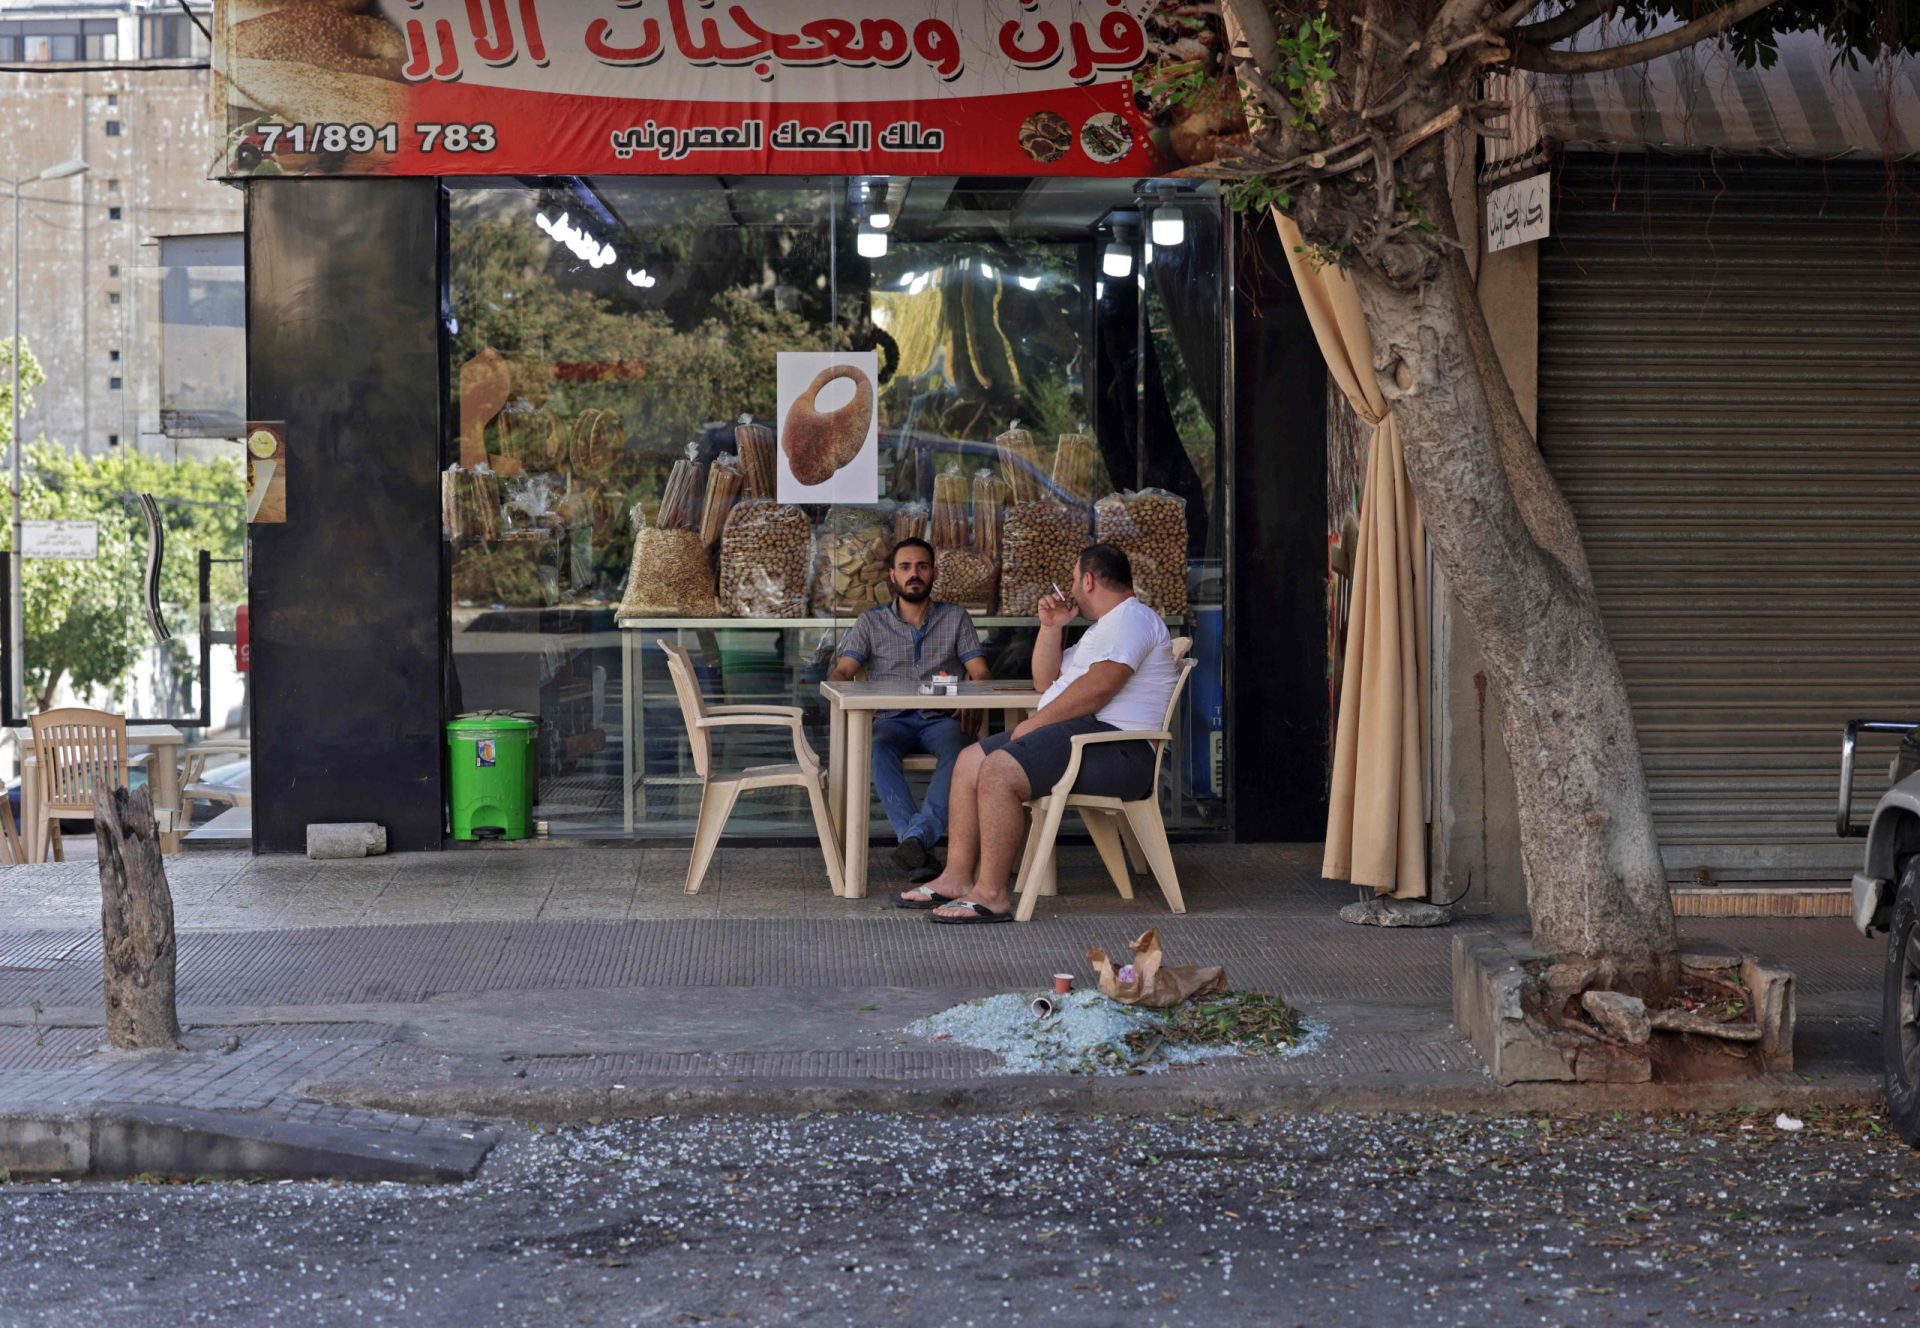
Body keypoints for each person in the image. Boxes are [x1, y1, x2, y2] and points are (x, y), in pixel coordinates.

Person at [902, 543, 1179, 922]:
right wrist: (1051, 628)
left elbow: (1100, 688)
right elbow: (1045, 681)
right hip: (1086, 736)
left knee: (1000, 771)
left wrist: (1035, 723)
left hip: (1119, 747)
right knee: (969, 761)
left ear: (1088, 579)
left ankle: (992, 894)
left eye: (1073, 580)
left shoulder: (1132, 618)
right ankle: (955, 878)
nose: (1072, 589)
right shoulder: (1106, 628)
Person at [829, 538, 992, 877]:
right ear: (892, 575)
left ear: (933, 573)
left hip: (941, 721)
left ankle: (915, 840)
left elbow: (979, 671)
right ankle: (916, 840)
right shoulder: (871, 622)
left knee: (962, 753)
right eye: (905, 567)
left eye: (921, 566)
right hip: (892, 720)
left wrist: (975, 697)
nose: (913, 574)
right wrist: (839, 681)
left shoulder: (955, 618)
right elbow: (844, 670)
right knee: (876, 749)